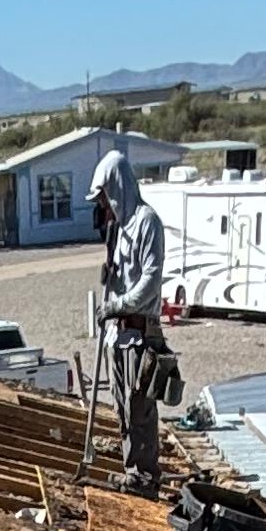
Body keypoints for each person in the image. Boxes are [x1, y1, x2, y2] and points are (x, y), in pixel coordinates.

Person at [90, 148, 169, 493]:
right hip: (117, 336)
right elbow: (122, 275)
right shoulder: (118, 230)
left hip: (140, 332)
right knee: (122, 408)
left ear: (116, 188)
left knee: (140, 409)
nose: (103, 206)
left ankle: (147, 475)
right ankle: (132, 470)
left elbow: (150, 279)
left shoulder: (147, 222)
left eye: (105, 197)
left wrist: (117, 304)